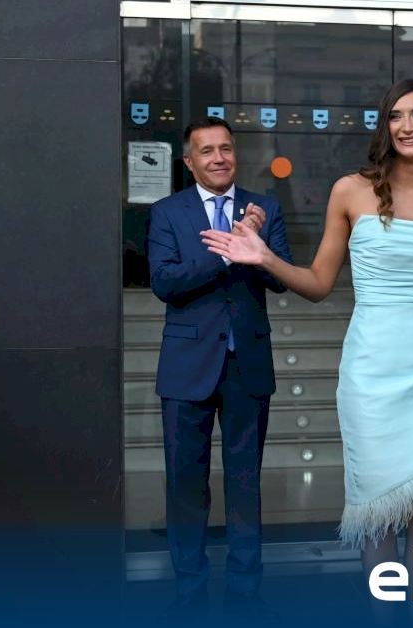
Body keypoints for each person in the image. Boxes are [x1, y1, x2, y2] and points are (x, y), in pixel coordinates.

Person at [201, 79, 413, 581]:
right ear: (385, 126)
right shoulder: (350, 191)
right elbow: (317, 284)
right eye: (396, 116)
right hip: (371, 373)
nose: (407, 126)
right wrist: (264, 258)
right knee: (377, 513)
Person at [147, 116, 291, 619]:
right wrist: (230, 251)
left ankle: (245, 592)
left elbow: (280, 280)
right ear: (189, 162)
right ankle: (189, 591)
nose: (218, 158)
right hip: (187, 366)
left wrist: (257, 247)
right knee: (186, 485)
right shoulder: (168, 212)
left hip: (246, 363)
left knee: (245, 482)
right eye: (206, 151)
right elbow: (165, 282)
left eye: (225, 148)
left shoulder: (264, 209)